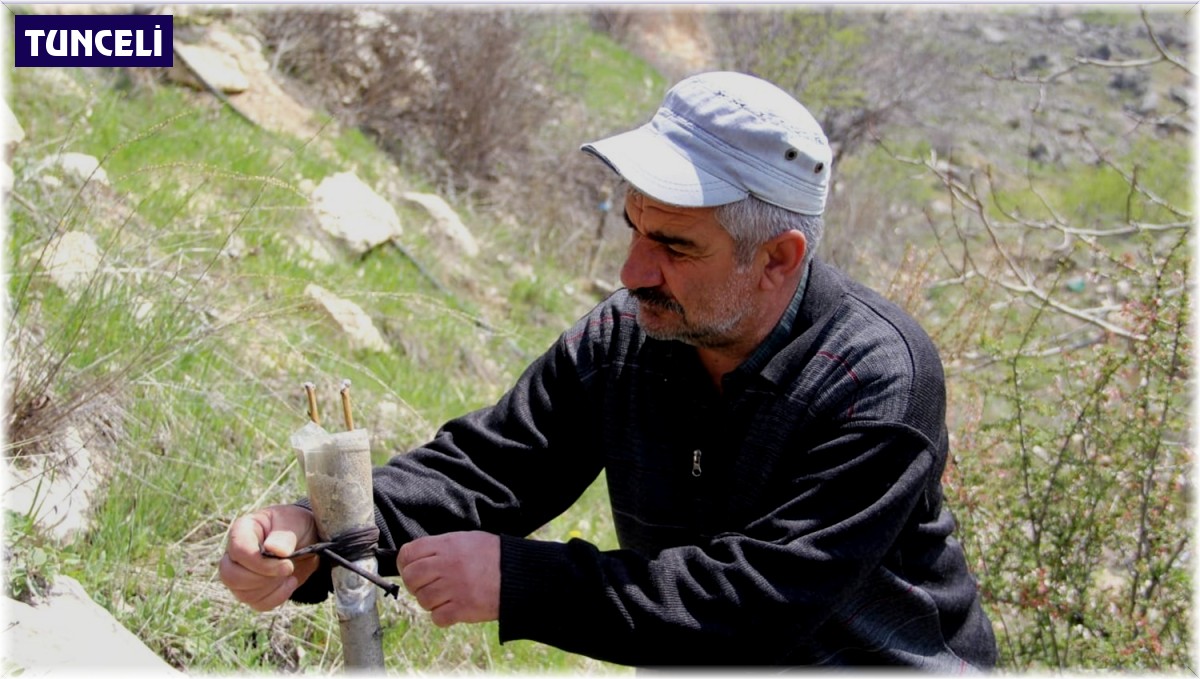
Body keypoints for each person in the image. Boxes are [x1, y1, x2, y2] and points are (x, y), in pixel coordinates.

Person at [220, 71, 998, 669]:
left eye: (674, 245)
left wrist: (522, 581)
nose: (632, 271)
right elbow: (487, 470)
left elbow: (759, 603)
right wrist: (316, 535)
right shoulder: (630, 336)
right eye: (633, 227)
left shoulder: (875, 381)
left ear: (777, 258)